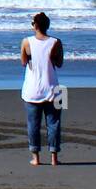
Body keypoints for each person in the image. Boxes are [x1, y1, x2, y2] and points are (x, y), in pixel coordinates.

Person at [21, 11, 63, 166]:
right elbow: (59, 63)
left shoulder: (26, 41)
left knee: (33, 124)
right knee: (55, 124)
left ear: (35, 25)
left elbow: (23, 62)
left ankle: (36, 158)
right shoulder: (56, 42)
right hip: (54, 88)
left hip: (32, 88)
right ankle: (54, 157)